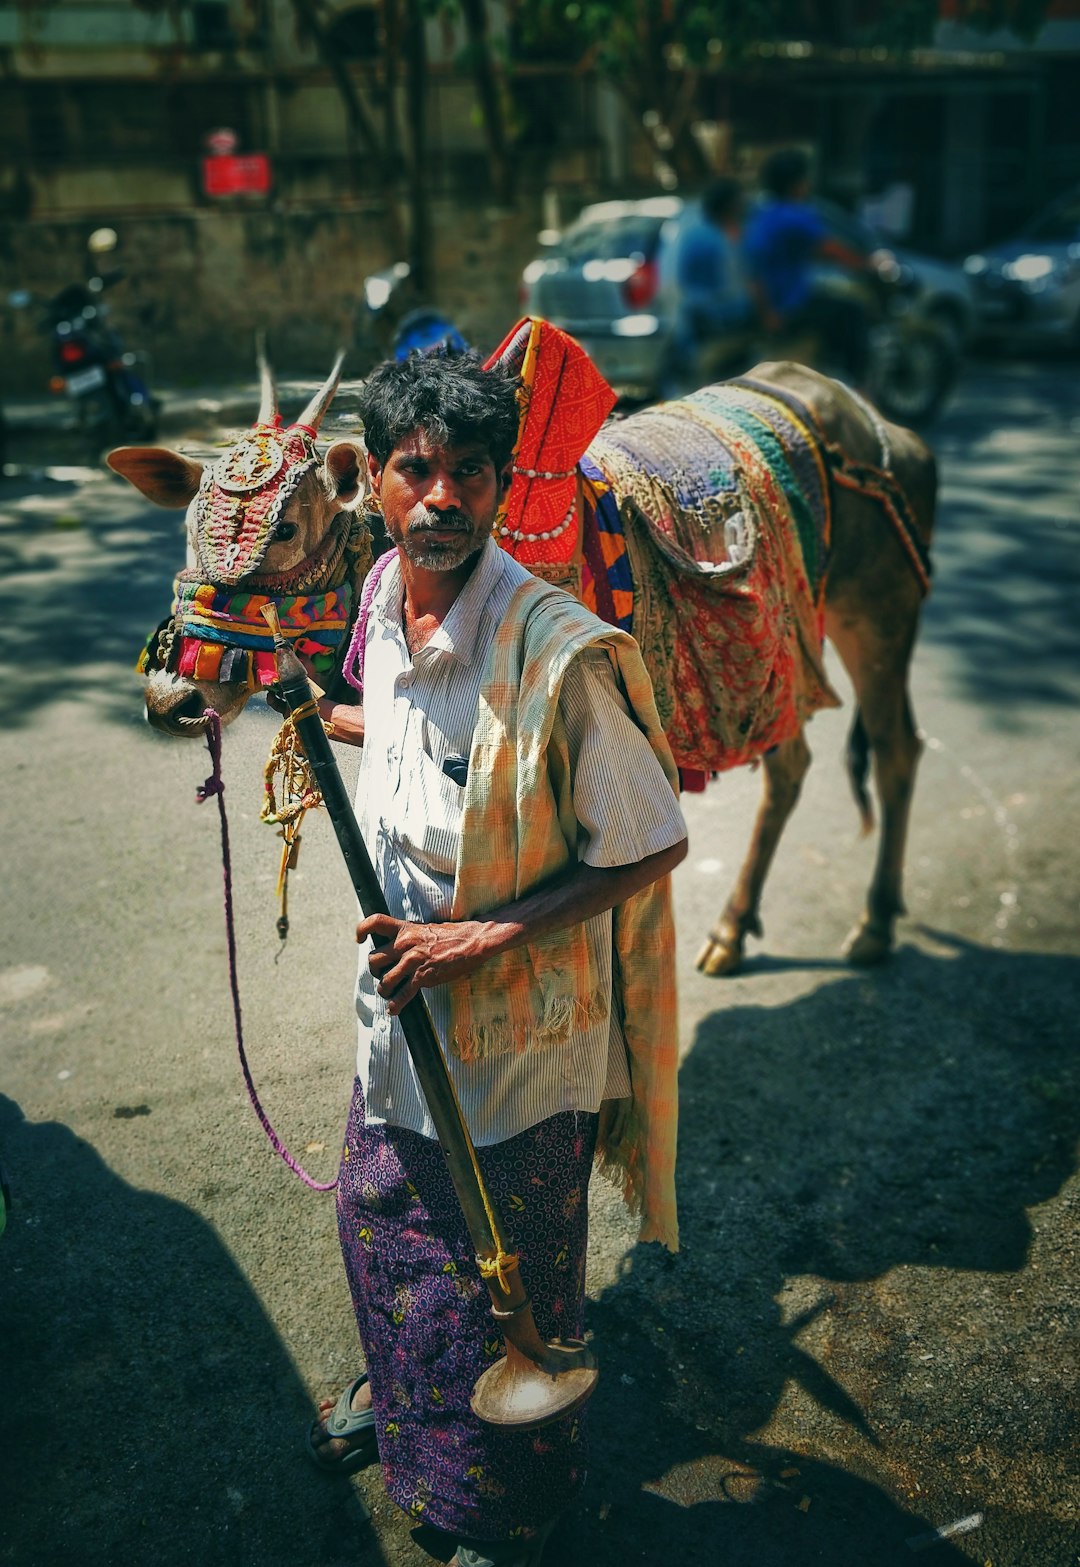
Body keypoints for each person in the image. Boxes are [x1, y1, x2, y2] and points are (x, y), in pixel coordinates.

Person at [305, 351, 688, 1567]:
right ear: (375, 478)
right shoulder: (379, 595)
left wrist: (479, 934)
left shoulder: (560, 653)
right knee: (385, 1225)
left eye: (468, 470)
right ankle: (409, 1409)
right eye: (415, 469)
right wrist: (318, 716)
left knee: (505, 1277)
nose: (442, 496)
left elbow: (648, 843)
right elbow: (403, 722)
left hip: (520, 1045)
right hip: (399, 1017)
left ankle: (502, 1510)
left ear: (498, 478)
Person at [743, 146, 874, 383]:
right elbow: (832, 249)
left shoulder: (763, 213)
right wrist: (866, 264)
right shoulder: (796, 214)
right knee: (854, 312)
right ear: (797, 182)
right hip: (790, 303)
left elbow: (803, 252)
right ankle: (858, 388)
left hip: (770, 301)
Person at [666, 175, 754, 395]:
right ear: (729, 206)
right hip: (719, 321)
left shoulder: (693, 233)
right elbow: (732, 287)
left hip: (694, 319)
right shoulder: (720, 240)